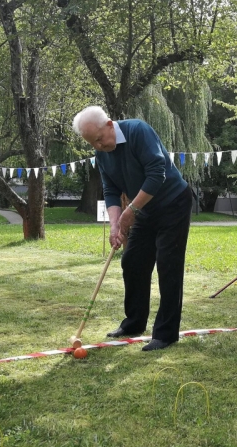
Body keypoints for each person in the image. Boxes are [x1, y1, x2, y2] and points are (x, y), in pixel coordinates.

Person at [72, 106, 193, 351]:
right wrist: (115, 224)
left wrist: (129, 214)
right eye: (91, 143)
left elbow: (156, 174)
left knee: (168, 265)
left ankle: (166, 333)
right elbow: (111, 191)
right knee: (132, 261)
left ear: (109, 124)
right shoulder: (102, 155)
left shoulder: (138, 130)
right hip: (145, 209)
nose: (98, 146)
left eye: (99, 139)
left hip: (173, 202)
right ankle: (135, 322)